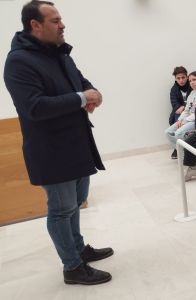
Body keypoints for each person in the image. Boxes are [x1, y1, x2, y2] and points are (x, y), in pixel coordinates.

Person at [3, 0, 112, 285]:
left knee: (75, 203)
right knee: (61, 209)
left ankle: (78, 248)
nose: (62, 25)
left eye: (61, 19)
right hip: (51, 151)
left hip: (76, 144)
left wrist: (93, 92)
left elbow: (80, 80)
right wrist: (80, 98)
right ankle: (72, 267)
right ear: (35, 25)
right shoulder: (18, 62)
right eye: (55, 20)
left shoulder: (58, 53)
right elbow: (34, 107)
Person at [165, 71, 196, 159]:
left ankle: (189, 158)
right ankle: (185, 156)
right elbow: (187, 110)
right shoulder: (192, 93)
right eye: (190, 81)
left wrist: (184, 121)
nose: (192, 82)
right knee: (167, 132)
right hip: (188, 119)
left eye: (194, 80)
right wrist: (180, 120)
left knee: (178, 133)